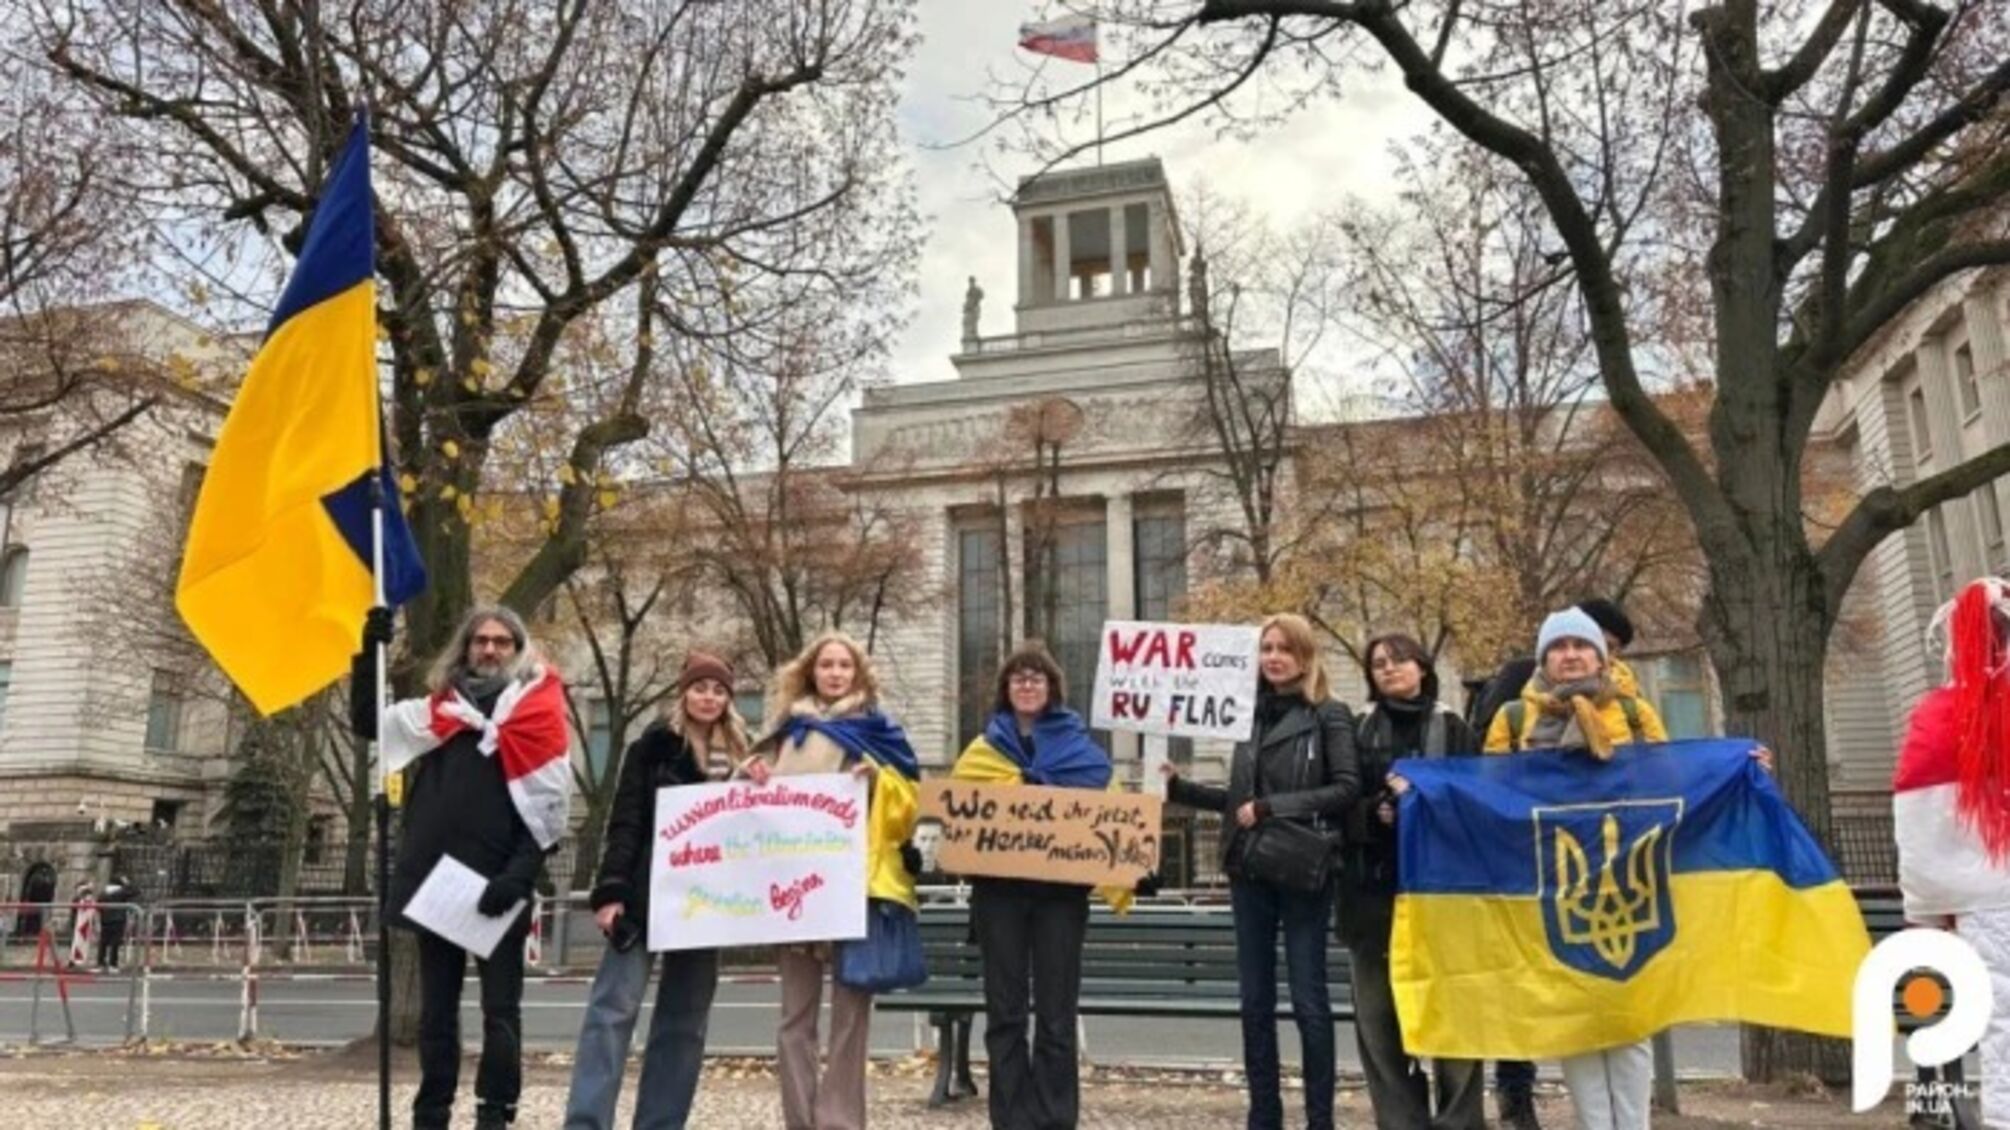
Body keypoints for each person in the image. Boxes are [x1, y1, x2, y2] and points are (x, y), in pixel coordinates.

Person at [352, 604, 571, 1130]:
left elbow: (546, 811)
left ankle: (495, 1111)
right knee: (437, 1014)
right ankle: (432, 1112)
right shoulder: (438, 714)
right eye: (480, 641)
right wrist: (369, 654)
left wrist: (518, 875)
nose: (490, 649)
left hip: (501, 886)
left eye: (502, 642)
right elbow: (369, 724)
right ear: (465, 649)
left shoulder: (538, 718)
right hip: (441, 886)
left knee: (501, 1012)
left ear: (518, 652)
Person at [1163, 612, 1359, 1130]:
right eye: (1266, 648)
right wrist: (1180, 789)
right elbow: (1238, 801)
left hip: (1301, 868)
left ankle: (1320, 1120)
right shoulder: (1243, 716)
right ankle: (1263, 1116)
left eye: (1284, 649)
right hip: (1249, 868)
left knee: (1308, 1000)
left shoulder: (1328, 714)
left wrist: (1274, 807)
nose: (1273, 657)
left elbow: (1345, 789)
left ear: (1304, 656)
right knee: (1254, 1002)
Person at [1482, 608, 1667, 1130]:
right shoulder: (1514, 719)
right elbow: (1491, 791)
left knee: (1630, 1018)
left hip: (1628, 879)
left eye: (1579, 646)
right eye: (1557, 646)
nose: (1569, 655)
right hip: (1554, 880)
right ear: (1543, 658)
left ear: (1600, 655)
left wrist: (1741, 766)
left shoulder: (1634, 712)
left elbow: (1673, 776)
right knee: (1578, 1016)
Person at [564, 651, 756, 1130]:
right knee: (611, 1014)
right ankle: (587, 1121)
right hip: (645, 898)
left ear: (729, 699)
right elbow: (625, 822)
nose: (708, 697)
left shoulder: (742, 757)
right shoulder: (651, 748)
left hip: (707, 906)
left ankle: (661, 1122)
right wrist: (611, 891)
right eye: (699, 688)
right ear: (683, 693)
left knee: (685, 1023)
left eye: (718, 690)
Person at [756, 631, 921, 1130]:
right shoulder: (786, 731)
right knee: (794, 1019)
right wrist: (754, 774)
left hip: (855, 892)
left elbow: (912, 803)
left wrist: (880, 783)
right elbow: (756, 808)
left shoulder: (879, 730)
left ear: (857, 674)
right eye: (826, 665)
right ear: (811, 671)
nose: (834, 673)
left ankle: (840, 1122)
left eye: (843, 666)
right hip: (795, 895)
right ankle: (800, 1121)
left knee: (850, 1019)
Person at [950, 643, 1113, 1130]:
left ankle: (1056, 1117)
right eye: (1018, 677)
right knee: (1005, 1012)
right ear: (1005, 689)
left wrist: (1132, 868)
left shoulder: (1082, 752)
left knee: (1058, 1013)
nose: (1026, 684)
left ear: (1052, 689)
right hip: (998, 896)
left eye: (1036, 678)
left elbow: (1108, 810)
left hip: (1060, 897)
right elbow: (958, 813)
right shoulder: (981, 752)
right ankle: (1011, 1117)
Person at [1342, 635, 1484, 1130]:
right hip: (1372, 899)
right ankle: (1400, 1121)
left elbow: (1478, 803)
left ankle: (1460, 1120)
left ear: (1423, 667)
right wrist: (1374, 811)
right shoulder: (1354, 730)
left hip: (1445, 899)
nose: (1389, 669)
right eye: (1378, 663)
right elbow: (1339, 803)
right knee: (1379, 1025)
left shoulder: (1455, 728)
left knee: (1455, 1018)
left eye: (1399, 659)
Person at [1894, 577, 2010, 1126]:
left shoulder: (1940, 716)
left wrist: (1923, 907)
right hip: (1991, 895)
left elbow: (1919, 827)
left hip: (1980, 896)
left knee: (2004, 1031)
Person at [97, 873, 137, 973]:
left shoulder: (103, 893)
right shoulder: (121, 892)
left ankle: (101, 963)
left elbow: (99, 905)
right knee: (115, 943)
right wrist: (127, 883)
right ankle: (113, 964)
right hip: (118, 920)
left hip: (105, 920)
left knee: (103, 942)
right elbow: (136, 891)